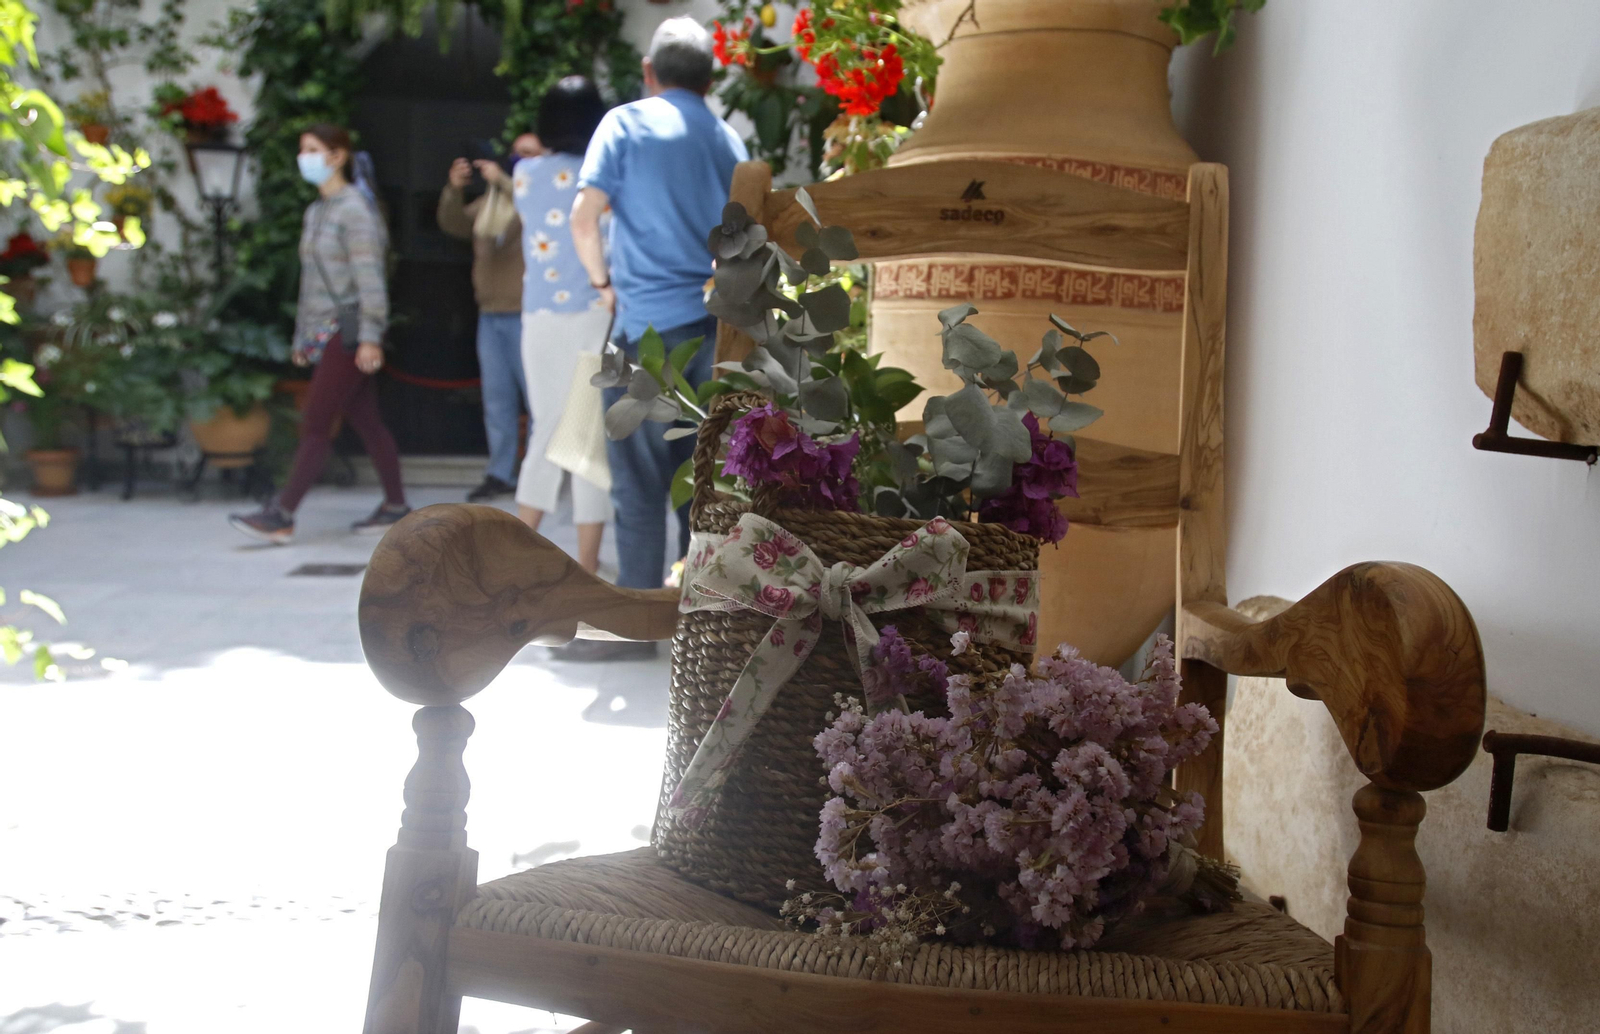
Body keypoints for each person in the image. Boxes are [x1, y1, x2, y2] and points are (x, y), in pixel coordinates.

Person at [571, 16, 748, 597]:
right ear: (710, 79)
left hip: (644, 336)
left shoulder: (623, 125)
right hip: (712, 336)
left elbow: (583, 216)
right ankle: (692, 622)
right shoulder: (729, 142)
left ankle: (636, 622)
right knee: (697, 488)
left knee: (639, 486)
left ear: (649, 73)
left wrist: (602, 283)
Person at [229, 124, 408, 545]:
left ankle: (282, 513)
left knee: (315, 423)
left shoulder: (355, 211)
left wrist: (370, 336)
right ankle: (396, 506)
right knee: (367, 421)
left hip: (347, 331)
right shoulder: (317, 211)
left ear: (337, 156)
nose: (303, 158)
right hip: (325, 331)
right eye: (302, 150)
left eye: (312, 150)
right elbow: (311, 283)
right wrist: (301, 338)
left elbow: (370, 280)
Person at [476, 77, 611, 574]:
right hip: (595, 312)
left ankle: (516, 547)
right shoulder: (602, 178)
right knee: (587, 440)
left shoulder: (526, 175)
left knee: (546, 432)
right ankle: (589, 564)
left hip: (537, 316)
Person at [438, 133, 541, 502]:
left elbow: (534, 207)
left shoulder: (538, 200)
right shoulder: (490, 201)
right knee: (497, 401)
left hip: (527, 314)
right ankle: (500, 472)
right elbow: (454, 224)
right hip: (490, 315)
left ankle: (539, 474)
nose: (519, 160)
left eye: (529, 154)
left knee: (537, 400)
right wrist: (454, 189)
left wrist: (504, 181)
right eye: (516, 154)